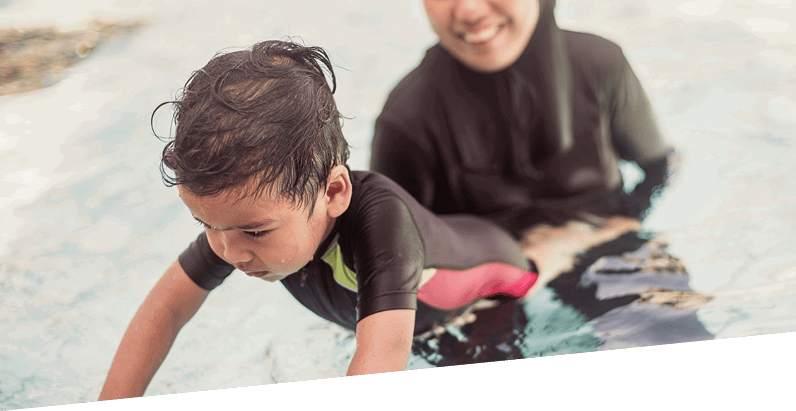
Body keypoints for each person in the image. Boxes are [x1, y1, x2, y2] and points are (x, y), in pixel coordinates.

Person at [98, 40, 593, 400]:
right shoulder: (240, 220)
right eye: (205, 224)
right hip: (409, 312)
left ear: (333, 192)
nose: (228, 251)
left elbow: (379, 364)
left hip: (507, 293)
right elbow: (165, 309)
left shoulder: (381, 226)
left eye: (253, 232)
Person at [370, 0, 677, 240]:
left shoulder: (600, 66)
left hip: (610, 246)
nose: (467, 9)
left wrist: (619, 226)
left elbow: (660, 168)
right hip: (489, 284)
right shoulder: (408, 119)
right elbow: (385, 253)